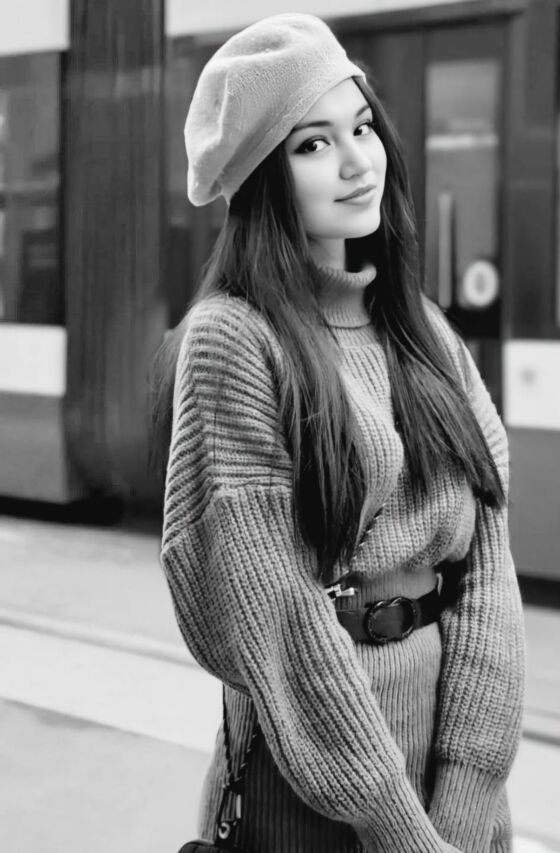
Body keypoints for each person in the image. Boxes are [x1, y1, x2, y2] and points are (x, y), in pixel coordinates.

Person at [154, 12, 525, 853]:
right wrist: (403, 834)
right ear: (262, 178)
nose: (359, 161)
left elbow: (487, 569)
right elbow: (279, 617)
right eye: (313, 144)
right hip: (312, 801)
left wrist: (466, 801)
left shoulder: (423, 330)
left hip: (455, 799)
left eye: (362, 127)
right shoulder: (234, 340)